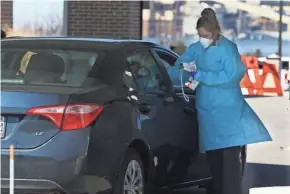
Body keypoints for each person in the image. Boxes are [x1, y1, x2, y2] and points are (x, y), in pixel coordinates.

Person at [176, 8, 272, 194]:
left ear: (215, 32)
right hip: (208, 113)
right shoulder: (196, 48)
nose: (202, 38)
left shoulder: (228, 49)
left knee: (229, 165)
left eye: (205, 35)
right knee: (214, 164)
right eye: (199, 35)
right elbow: (179, 64)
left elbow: (231, 76)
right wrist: (182, 66)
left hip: (228, 112)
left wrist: (201, 74)